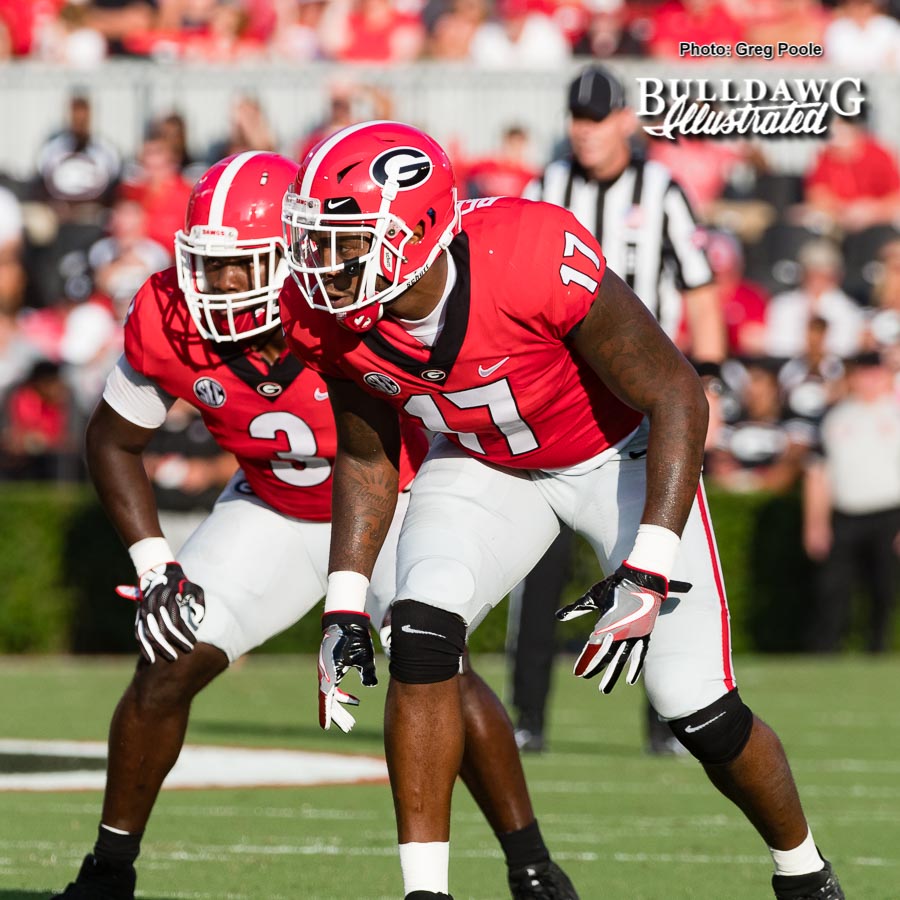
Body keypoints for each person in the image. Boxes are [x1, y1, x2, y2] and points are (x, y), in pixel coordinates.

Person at [279, 119, 844, 900]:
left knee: (697, 708)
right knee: (418, 631)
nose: (322, 264)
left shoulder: (529, 253)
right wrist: (343, 603)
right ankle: (425, 892)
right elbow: (368, 454)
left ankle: (805, 873)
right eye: (316, 239)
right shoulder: (328, 317)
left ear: (414, 233)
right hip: (486, 464)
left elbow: (676, 393)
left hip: (618, 458)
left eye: (344, 240)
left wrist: (647, 566)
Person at [52, 151, 576, 900]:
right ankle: (107, 869)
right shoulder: (169, 315)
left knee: (439, 671)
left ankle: (530, 863)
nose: (215, 286)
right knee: (165, 663)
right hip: (271, 508)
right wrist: (152, 563)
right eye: (206, 264)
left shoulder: (350, 307)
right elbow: (112, 438)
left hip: (389, 510)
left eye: (239, 266)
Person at [516, 64, 726, 754]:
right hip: (562, 395)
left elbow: (698, 289)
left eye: (598, 118)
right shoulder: (549, 187)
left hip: (644, 400)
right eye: (577, 118)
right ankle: (529, 716)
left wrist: (712, 386)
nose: (585, 131)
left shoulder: (661, 190)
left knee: (658, 556)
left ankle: (669, 718)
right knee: (537, 566)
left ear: (626, 121)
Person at [803, 350, 900, 653]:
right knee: (833, 586)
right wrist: (815, 523)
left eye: (876, 373)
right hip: (846, 513)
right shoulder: (836, 416)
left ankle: (879, 647)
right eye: (863, 373)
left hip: (890, 513)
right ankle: (827, 648)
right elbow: (818, 474)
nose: (869, 380)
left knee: (885, 586)